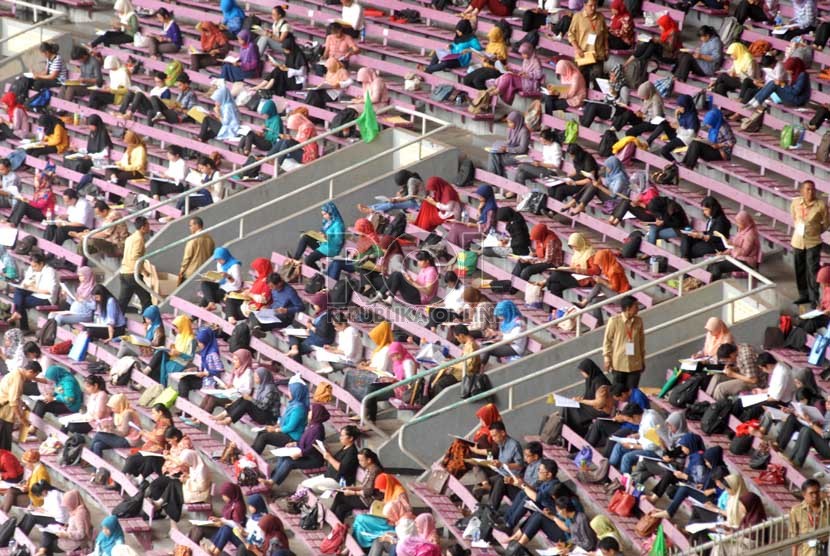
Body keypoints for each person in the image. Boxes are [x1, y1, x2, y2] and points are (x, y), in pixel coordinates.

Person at [269, 404, 330, 485]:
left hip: (313, 460)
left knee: (289, 462)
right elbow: (305, 441)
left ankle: (272, 482)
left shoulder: (318, 429)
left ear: (316, 414)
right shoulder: (312, 425)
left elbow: (313, 447)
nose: (309, 412)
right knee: (283, 456)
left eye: (311, 411)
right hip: (306, 455)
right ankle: (272, 477)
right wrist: (295, 443)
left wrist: (301, 454)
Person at [791, 181, 828, 307]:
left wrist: (816, 230)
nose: (810, 192)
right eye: (807, 189)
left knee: (812, 270)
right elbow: (794, 217)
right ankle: (803, 294)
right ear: (802, 191)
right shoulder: (796, 202)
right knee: (799, 268)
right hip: (798, 241)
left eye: (812, 189)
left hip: (813, 241)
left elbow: (827, 222)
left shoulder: (821, 205)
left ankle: (814, 297)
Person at [351, 474, 412, 548]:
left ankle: (358, 547)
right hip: (385, 518)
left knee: (360, 519)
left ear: (388, 485)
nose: (380, 490)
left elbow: (407, 510)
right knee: (359, 524)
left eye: (382, 488)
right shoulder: (390, 490)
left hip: (392, 523)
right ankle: (355, 547)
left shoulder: (400, 493)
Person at [148, 449, 210, 521]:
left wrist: (186, 481)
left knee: (174, 486)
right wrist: (187, 476)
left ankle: (161, 504)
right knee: (173, 484)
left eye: (186, 463)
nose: (186, 465)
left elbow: (201, 486)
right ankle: (162, 504)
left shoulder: (202, 470)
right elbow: (193, 478)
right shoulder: (194, 465)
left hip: (198, 495)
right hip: (191, 489)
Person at [252, 377, 309, 454]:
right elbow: (284, 420)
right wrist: (275, 427)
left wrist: (275, 430)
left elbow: (290, 427)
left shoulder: (299, 409)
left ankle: (252, 458)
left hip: (292, 437)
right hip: (286, 433)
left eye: (290, 391)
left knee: (264, 437)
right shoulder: (293, 404)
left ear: (296, 392)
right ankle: (251, 454)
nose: (288, 392)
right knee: (262, 432)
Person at [299, 425, 360, 493]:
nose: (340, 438)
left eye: (342, 436)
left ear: (351, 438)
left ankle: (298, 501)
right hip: (330, 476)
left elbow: (342, 469)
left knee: (308, 488)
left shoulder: (352, 452)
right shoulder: (345, 447)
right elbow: (336, 460)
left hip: (339, 481)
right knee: (304, 484)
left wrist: (329, 458)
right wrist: (326, 452)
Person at [607, 404, 667, 473]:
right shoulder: (647, 414)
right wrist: (637, 435)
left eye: (629, 419)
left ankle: (624, 481)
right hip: (644, 443)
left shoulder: (650, 420)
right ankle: (609, 471)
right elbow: (648, 433)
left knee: (627, 458)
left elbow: (653, 445)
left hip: (657, 451)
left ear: (635, 416)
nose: (629, 422)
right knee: (619, 446)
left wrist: (632, 446)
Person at [569, 156, 630, 221]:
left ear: (613, 166)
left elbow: (613, 195)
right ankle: (580, 204)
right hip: (609, 196)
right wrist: (598, 181)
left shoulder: (620, 179)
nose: (606, 169)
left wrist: (599, 186)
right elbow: (606, 186)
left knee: (594, 186)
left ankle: (579, 203)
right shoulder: (611, 174)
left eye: (608, 167)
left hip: (616, 202)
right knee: (592, 184)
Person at [8, 253, 58, 332]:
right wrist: (25, 285)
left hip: (45, 298)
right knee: (18, 291)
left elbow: (49, 292)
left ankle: (21, 322)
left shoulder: (50, 272)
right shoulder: (32, 269)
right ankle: (18, 315)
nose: (33, 268)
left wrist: (34, 289)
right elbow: (26, 281)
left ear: (41, 264)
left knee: (21, 302)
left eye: (35, 266)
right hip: (33, 293)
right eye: (32, 266)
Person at [603, 295, 645, 388]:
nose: (638, 309)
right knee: (618, 392)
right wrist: (607, 359)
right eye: (635, 306)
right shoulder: (614, 321)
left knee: (632, 391)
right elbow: (607, 341)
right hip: (619, 364)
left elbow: (641, 341)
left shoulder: (639, 321)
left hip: (635, 363)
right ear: (627, 308)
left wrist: (642, 360)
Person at [331, 448, 383, 522]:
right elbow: (364, 486)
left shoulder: (374, 471)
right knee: (341, 508)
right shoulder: (370, 468)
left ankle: (330, 516)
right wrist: (349, 488)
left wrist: (352, 492)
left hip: (369, 500)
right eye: (359, 460)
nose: (359, 462)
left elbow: (367, 492)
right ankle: (338, 527)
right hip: (364, 497)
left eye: (361, 460)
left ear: (369, 460)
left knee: (340, 495)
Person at [121, 404, 172, 480]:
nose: (152, 415)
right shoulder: (160, 422)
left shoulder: (164, 423)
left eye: (154, 413)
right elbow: (155, 434)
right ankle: (130, 478)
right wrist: (147, 433)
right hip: (151, 451)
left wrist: (145, 434)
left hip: (158, 452)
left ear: (160, 413)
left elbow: (158, 439)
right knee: (131, 458)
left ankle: (125, 479)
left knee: (132, 459)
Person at [144, 313, 196, 386]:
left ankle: (147, 376)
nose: (175, 330)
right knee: (160, 352)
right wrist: (172, 348)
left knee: (158, 366)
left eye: (177, 327)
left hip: (180, 363)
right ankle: (147, 374)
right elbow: (177, 348)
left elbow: (190, 358)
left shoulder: (191, 340)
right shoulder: (179, 335)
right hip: (173, 358)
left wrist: (179, 353)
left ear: (183, 326)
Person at [430, 324, 482, 396]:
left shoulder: (471, 346)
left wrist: (452, 364)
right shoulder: (468, 344)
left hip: (466, 374)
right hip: (460, 371)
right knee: (433, 377)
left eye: (457, 338)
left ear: (461, 335)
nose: (458, 340)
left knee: (440, 383)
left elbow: (469, 366)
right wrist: (451, 361)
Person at [371, 250, 439, 306]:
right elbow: (417, 284)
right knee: (396, 275)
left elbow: (428, 292)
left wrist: (412, 282)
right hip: (415, 293)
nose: (418, 263)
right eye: (418, 260)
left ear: (427, 261)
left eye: (420, 261)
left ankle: (385, 296)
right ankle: (384, 296)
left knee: (397, 275)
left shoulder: (431, 272)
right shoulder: (424, 269)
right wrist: (408, 279)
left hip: (419, 299)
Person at [708, 211, 761, 280]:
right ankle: (706, 282)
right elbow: (732, 246)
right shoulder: (741, 230)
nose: (737, 225)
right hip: (736, 256)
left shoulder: (750, 235)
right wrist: (723, 253)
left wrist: (733, 245)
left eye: (739, 223)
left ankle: (712, 284)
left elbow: (744, 252)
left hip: (746, 260)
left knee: (717, 267)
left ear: (745, 222)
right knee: (711, 264)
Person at [541, 232, 595, 299]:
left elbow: (596, 271)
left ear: (580, 243)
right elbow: (573, 267)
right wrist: (568, 269)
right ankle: (555, 309)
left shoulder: (590, 253)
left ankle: (544, 283)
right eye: (572, 247)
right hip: (575, 276)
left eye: (575, 246)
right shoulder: (577, 252)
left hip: (586, 280)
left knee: (557, 274)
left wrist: (580, 270)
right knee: (554, 286)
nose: (574, 248)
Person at [177, 327, 226, 399]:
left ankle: (184, 403)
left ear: (206, 342)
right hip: (203, 377)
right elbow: (204, 368)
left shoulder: (213, 353)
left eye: (200, 342)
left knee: (185, 382)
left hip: (209, 380)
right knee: (184, 379)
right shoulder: (205, 351)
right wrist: (194, 369)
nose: (198, 344)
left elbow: (220, 369)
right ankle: (184, 402)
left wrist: (205, 373)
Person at [39, 489, 92, 556]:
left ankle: (42, 550)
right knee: (47, 533)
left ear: (72, 502)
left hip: (75, 542)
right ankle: (42, 550)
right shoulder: (76, 510)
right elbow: (75, 525)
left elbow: (81, 534)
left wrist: (67, 535)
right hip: (69, 535)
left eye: (68, 505)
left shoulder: (80, 514)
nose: (67, 508)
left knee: (49, 546)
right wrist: (66, 528)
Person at [567, 0, 608, 85]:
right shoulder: (578, 17)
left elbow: (605, 35)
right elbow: (571, 35)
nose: (593, 8)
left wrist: (606, 49)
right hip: (584, 54)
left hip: (598, 54)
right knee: (582, 80)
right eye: (591, 5)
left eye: (595, 5)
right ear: (585, 5)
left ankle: (597, 98)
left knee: (598, 80)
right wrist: (577, 49)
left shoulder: (601, 17)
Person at [117, 217, 152, 313]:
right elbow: (135, 257)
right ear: (143, 227)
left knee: (123, 301)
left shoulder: (130, 238)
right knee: (146, 299)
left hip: (124, 272)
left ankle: (116, 322)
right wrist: (143, 271)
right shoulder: (139, 239)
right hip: (132, 274)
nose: (149, 227)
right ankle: (147, 322)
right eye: (147, 225)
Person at [680, 196, 731, 261]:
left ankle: (685, 261)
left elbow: (717, 237)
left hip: (716, 245)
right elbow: (709, 231)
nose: (704, 212)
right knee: (686, 236)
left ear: (713, 208)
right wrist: (698, 233)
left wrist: (701, 236)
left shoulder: (721, 221)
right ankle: (685, 259)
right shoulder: (712, 218)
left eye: (706, 210)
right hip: (708, 241)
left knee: (689, 250)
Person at [480, 300, 527, 367]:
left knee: (487, 349)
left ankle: (480, 371)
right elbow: (505, 334)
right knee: (484, 345)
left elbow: (514, 340)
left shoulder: (519, 323)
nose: (501, 318)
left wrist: (499, 339)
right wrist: (496, 334)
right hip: (506, 343)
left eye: (502, 315)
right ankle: (479, 369)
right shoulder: (508, 320)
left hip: (515, 348)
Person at [790, 479, 830, 556]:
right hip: (807, 552)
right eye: (811, 493)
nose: (815, 496)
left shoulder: (827, 506)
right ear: (804, 494)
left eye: (817, 492)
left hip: (826, 549)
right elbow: (794, 536)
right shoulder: (796, 510)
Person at [488, 111, 530, 177]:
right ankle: (496, 178)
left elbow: (522, 149)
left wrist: (507, 149)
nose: (509, 125)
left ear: (517, 121)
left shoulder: (524, 132)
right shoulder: (510, 129)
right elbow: (509, 142)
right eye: (508, 122)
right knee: (492, 153)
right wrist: (501, 147)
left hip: (519, 156)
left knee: (496, 159)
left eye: (511, 122)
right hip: (509, 153)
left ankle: (494, 178)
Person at [177, 217, 215, 284]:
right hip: (205, 272)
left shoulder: (192, 239)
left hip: (191, 272)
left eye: (190, 225)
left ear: (196, 225)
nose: (190, 228)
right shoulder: (210, 239)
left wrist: (182, 271)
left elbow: (187, 258)